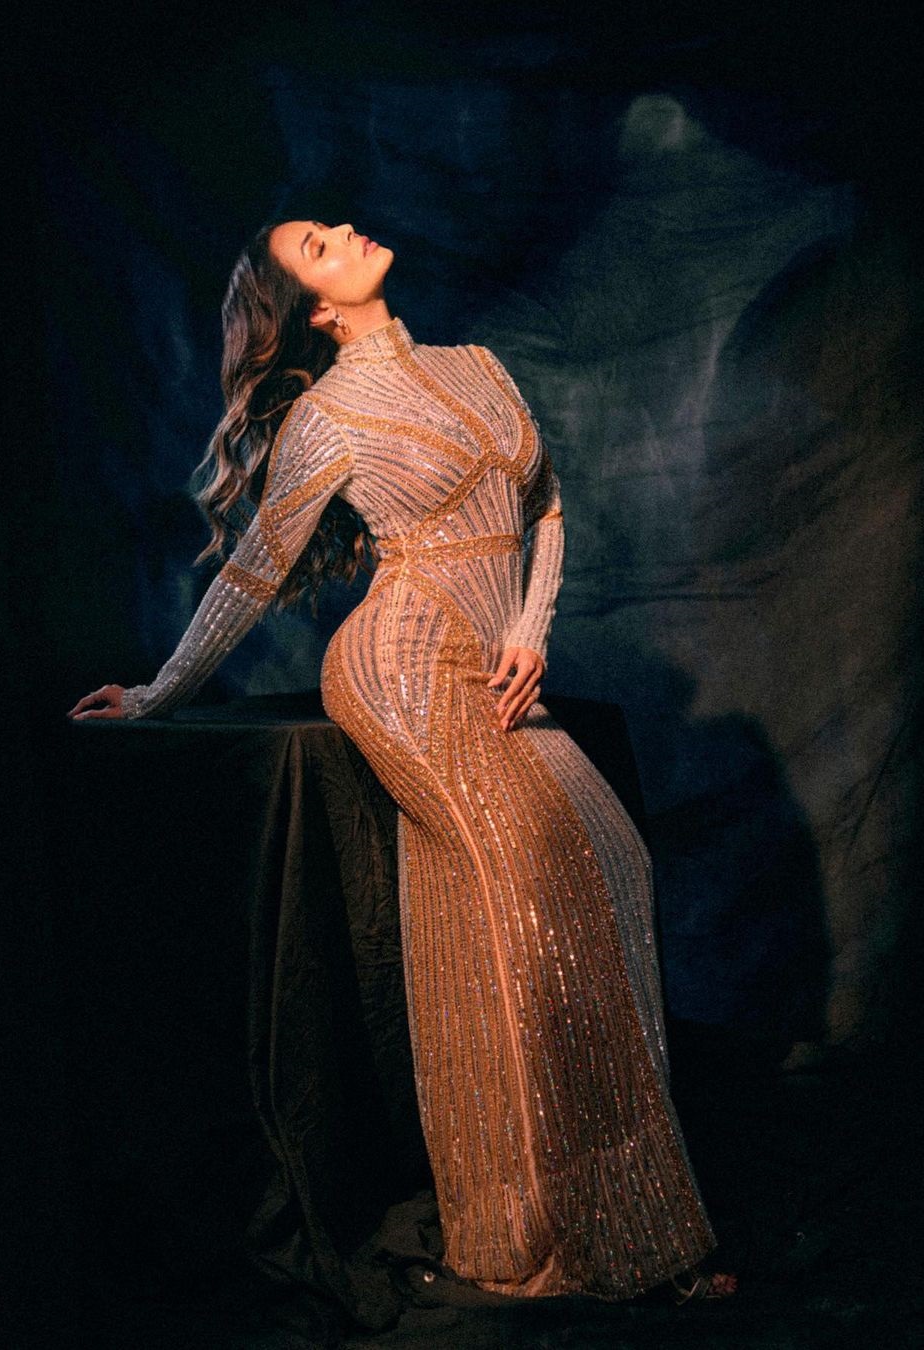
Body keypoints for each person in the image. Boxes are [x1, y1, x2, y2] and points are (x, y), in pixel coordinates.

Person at [69, 219, 737, 1306]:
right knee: (530, 893)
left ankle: (556, 1215)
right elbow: (252, 572)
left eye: (329, 227)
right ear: (316, 312)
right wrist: (155, 693)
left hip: (494, 664)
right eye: (317, 247)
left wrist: (531, 630)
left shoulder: (477, 365)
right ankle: (598, 1242)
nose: (343, 231)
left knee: (613, 860)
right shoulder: (327, 417)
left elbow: (545, 504)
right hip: (402, 669)